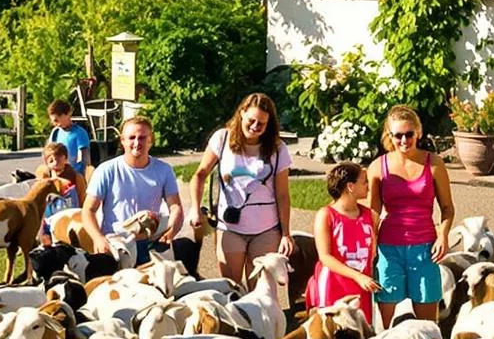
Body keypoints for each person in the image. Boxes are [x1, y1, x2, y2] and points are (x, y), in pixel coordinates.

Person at [181, 91, 292, 287]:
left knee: (261, 290)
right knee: (231, 287)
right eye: (252, 120)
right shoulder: (222, 139)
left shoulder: (278, 148)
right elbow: (199, 175)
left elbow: (283, 194)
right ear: (241, 113)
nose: (256, 126)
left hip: (266, 229)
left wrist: (286, 234)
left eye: (262, 123)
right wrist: (195, 208)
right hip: (230, 227)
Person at [366, 105, 455, 320]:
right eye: (398, 135)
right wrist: (370, 244)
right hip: (389, 248)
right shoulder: (378, 167)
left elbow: (447, 207)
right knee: (388, 325)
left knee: (427, 324)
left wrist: (443, 236)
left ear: (419, 133)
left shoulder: (434, 164)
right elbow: (373, 210)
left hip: (425, 248)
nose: (404, 140)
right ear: (390, 135)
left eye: (409, 134)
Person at [79, 112, 184, 270]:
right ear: (122, 141)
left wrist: (171, 231)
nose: (137, 143)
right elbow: (88, 209)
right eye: (131, 138)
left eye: (142, 138)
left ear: (150, 140)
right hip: (115, 243)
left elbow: (175, 206)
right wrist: (98, 238)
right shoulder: (106, 170)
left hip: (150, 243)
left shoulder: (164, 170)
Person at [304, 161, 380, 318]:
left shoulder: (370, 216)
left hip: (362, 286)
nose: (368, 186)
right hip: (334, 283)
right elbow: (325, 257)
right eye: (364, 182)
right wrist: (357, 276)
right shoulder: (326, 215)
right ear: (350, 187)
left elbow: (372, 254)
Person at [40, 98, 93, 182]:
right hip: (56, 174)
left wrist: (72, 174)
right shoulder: (56, 132)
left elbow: (84, 161)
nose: (55, 124)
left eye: (57, 120)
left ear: (67, 114)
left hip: (73, 177)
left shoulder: (79, 133)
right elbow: (48, 155)